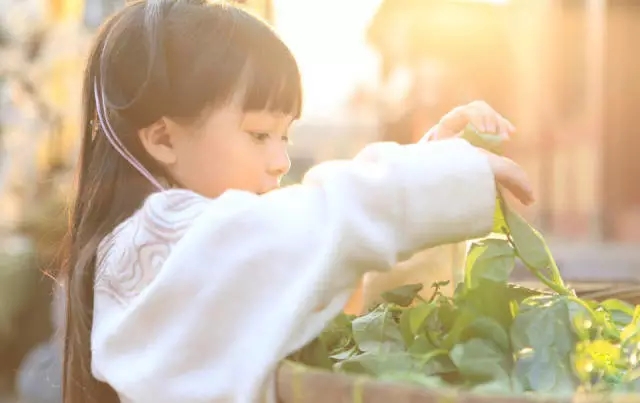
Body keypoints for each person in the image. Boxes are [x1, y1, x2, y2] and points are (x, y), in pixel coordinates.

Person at [58, 1, 534, 402]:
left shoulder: (190, 249)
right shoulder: (150, 248)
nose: (282, 161)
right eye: (259, 134)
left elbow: (326, 262)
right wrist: (429, 180)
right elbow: (293, 229)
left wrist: (431, 170)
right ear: (163, 138)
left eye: (285, 136)